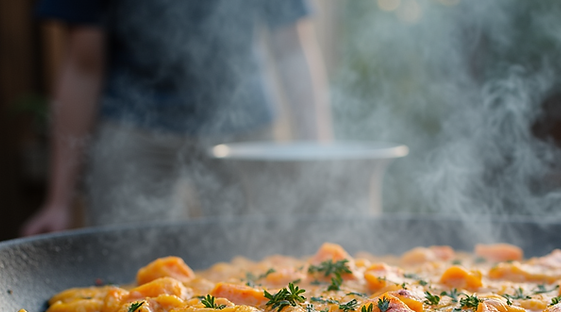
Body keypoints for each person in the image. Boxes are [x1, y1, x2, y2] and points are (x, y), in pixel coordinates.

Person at [22, 0, 332, 236]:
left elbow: (292, 49)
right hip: (131, 125)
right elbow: (83, 66)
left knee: (258, 255)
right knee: (126, 263)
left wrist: (317, 161)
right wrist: (58, 202)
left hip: (243, 127)